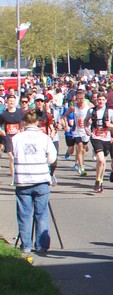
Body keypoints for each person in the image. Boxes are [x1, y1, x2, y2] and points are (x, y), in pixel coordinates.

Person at [12, 109, 57, 255]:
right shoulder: (44, 138)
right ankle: (41, 245)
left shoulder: (16, 138)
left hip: (23, 180)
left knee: (24, 214)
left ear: (24, 122)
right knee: (41, 214)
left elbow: (12, 154)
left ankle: (26, 245)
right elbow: (52, 158)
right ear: (37, 122)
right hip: (41, 179)